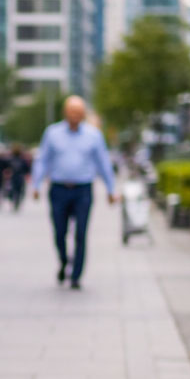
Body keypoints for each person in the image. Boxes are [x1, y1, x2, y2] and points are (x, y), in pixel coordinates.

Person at [31, 95, 116, 289]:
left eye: (79, 112)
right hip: (59, 189)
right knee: (60, 232)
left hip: (83, 190)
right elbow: (42, 159)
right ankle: (63, 261)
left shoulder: (93, 135)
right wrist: (36, 185)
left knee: (81, 233)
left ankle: (76, 275)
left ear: (84, 113)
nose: (75, 115)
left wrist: (111, 189)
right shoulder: (52, 133)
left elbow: (103, 163)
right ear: (65, 112)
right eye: (72, 112)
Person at [7, 143, 31, 211]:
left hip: (14, 177)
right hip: (19, 177)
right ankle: (17, 202)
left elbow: (7, 169)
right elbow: (27, 169)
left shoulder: (10, 159)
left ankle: (15, 201)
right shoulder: (22, 160)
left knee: (13, 190)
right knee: (19, 191)